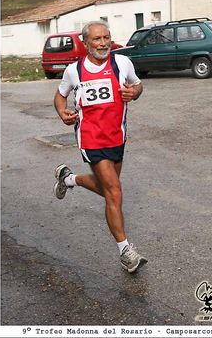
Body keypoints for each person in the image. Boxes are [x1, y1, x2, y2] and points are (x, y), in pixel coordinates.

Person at [53, 20, 147, 273]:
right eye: (97, 39)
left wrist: (134, 92)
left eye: (106, 37)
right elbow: (60, 95)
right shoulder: (75, 71)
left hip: (117, 136)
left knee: (108, 190)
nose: (103, 43)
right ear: (86, 43)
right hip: (91, 138)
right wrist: (63, 112)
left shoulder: (122, 63)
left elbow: (138, 84)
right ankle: (125, 251)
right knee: (114, 192)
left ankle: (69, 179)